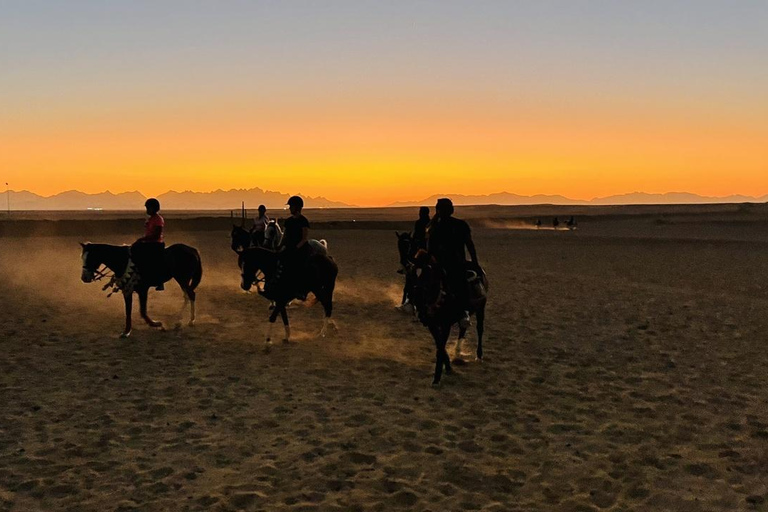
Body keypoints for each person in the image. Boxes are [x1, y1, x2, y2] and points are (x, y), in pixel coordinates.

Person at [427, 198, 479, 328]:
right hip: (451, 264)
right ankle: (464, 312)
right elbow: (470, 245)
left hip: (450, 264)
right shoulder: (456, 225)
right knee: (461, 285)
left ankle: (463, 312)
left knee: (459, 283)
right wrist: (474, 262)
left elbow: (430, 249)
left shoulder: (435, 227)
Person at [269, 196, 311, 300]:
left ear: (297, 207)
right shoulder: (288, 221)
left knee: (300, 266)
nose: (289, 208)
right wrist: (280, 245)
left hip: (300, 248)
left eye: (291, 206)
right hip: (289, 247)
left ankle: (301, 290)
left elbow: (304, 238)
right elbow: (285, 236)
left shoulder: (303, 221)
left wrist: (296, 248)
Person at [131, 198, 167, 291]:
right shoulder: (150, 219)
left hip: (155, 244)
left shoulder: (158, 219)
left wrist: (143, 239)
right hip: (148, 243)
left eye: (148, 208)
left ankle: (159, 281)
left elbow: (156, 235)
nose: (147, 210)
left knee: (152, 260)